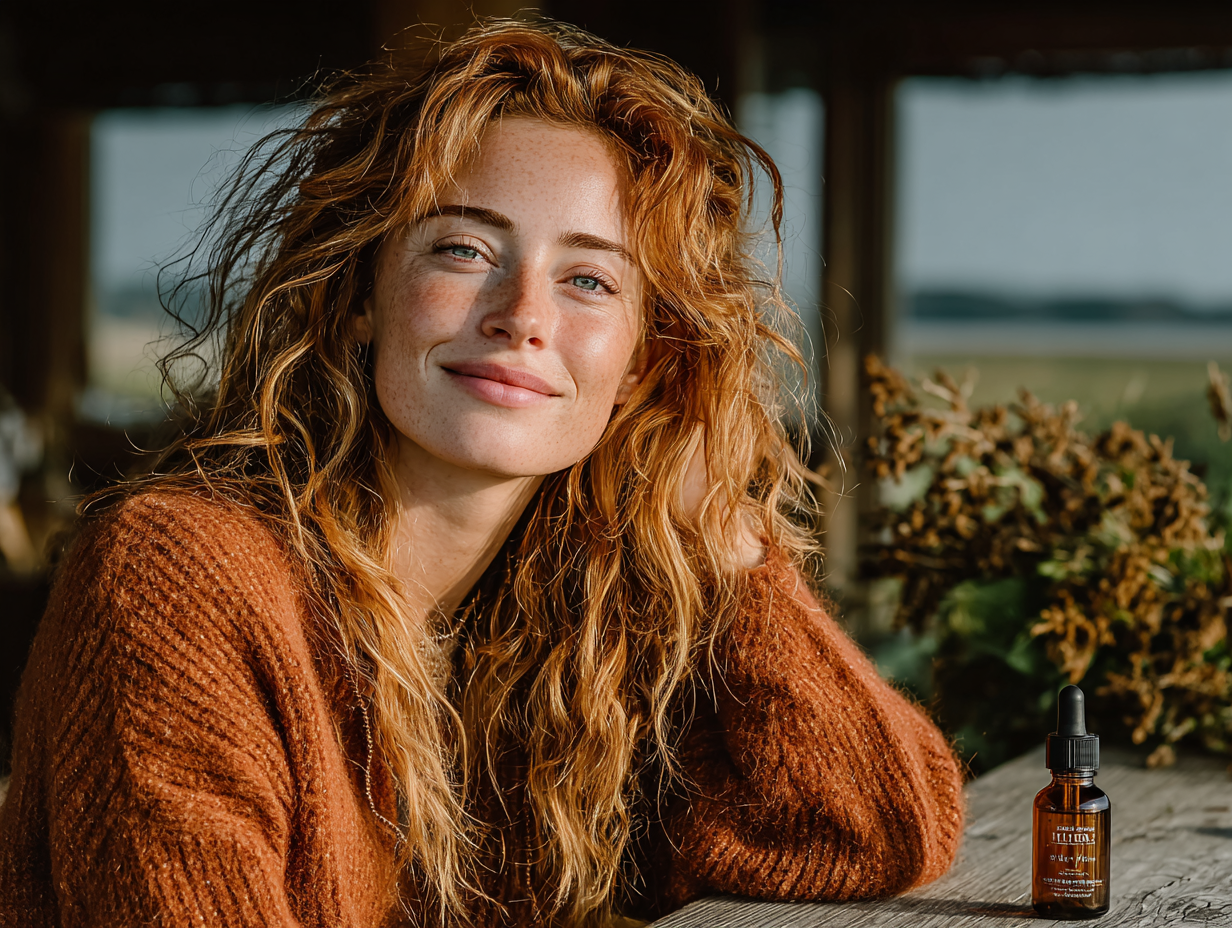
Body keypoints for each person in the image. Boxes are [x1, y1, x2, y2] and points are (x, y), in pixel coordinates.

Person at [0, 18, 963, 928]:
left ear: (641, 364)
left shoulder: (565, 621)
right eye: (463, 249)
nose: (522, 315)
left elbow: (871, 829)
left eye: (589, 279)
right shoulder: (181, 577)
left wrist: (730, 540)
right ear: (357, 298)